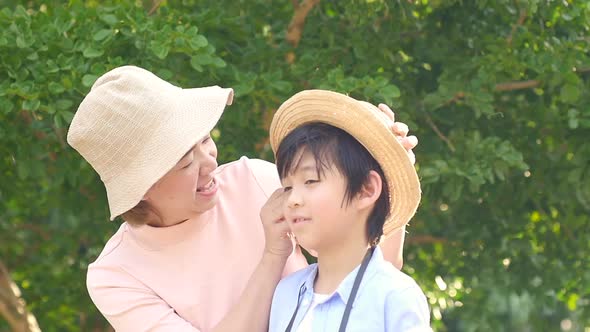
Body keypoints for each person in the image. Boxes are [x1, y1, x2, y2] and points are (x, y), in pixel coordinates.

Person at [66, 65, 419, 331]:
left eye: (205, 140)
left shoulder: (255, 180)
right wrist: (272, 255)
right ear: (140, 188)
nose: (210, 162)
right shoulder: (117, 275)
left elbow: (376, 274)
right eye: (187, 161)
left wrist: (388, 169)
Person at [267, 90, 430, 331]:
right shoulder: (287, 293)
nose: (292, 199)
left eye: (310, 181)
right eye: (288, 186)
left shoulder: (395, 296)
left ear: (366, 189)